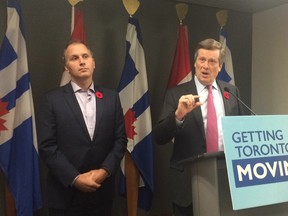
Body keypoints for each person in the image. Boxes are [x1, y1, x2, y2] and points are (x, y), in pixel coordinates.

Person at [153, 38, 245, 216]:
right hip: (187, 182)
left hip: (226, 180)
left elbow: (242, 132)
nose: (205, 66)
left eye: (212, 61)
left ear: (219, 66)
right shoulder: (176, 94)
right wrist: (178, 115)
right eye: (202, 60)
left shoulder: (231, 92)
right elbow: (159, 137)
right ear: (195, 63)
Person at [37, 40, 128, 216]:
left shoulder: (111, 98)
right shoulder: (51, 100)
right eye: (74, 58)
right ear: (66, 68)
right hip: (65, 195)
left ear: (93, 62)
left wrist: (105, 171)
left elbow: (120, 140)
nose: (81, 61)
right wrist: (75, 178)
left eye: (85, 56)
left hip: (101, 192)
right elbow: (47, 146)